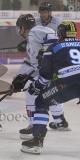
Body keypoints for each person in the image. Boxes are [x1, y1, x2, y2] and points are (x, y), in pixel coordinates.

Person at [21, 21, 80, 154]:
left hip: (66, 82)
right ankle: (60, 119)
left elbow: (46, 76)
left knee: (41, 101)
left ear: (60, 33)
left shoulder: (54, 47)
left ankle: (37, 140)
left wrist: (36, 86)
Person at [11, 14, 69, 140]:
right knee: (50, 93)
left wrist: (46, 52)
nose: (19, 31)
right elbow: (33, 63)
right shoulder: (36, 33)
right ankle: (60, 120)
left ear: (23, 27)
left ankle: (33, 126)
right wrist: (21, 76)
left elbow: (53, 41)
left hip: (53, 69)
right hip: (57, 69)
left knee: (32, 93)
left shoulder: (34, 32)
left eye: (19, 28)